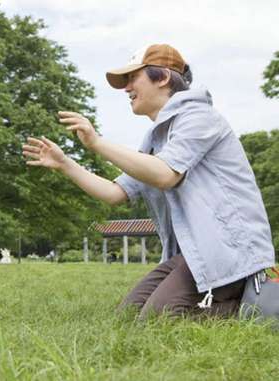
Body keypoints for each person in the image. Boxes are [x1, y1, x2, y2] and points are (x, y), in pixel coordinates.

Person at [22, 43, 275, 319]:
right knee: (127, 316)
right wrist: (65, 164)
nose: (126, 88)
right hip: (191, 255)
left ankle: (252, 308)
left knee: (158, 320)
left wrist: (96, 143)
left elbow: (166, 175)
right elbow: (115, 193)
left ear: (163, 77)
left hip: (228, 248)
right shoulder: (154, 140)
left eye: (132, 78)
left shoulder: (200, 117)